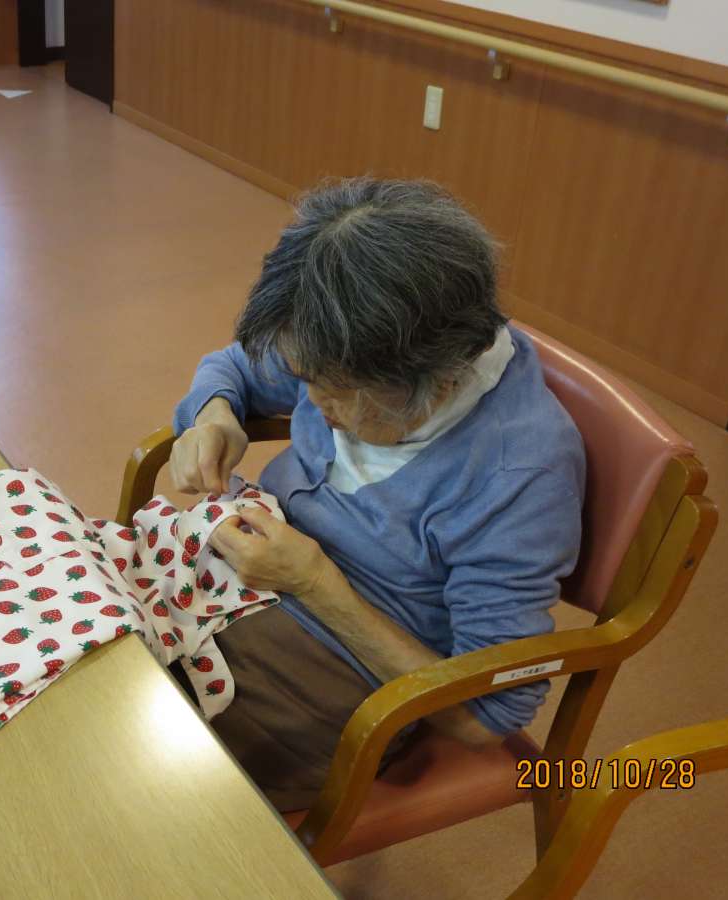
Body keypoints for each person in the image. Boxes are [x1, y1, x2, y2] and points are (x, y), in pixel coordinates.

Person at [167, 177, 586, 812]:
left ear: (435, 381)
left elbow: (485, 714)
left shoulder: (518, 478)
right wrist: (214, 415)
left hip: (333, 671)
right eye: (304, 377)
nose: (311, 402)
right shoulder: (342, 342)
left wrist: (314, 584)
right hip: (227, 584)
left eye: (334, 393)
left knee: (145, 769)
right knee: (67, 661)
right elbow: (234, 367)